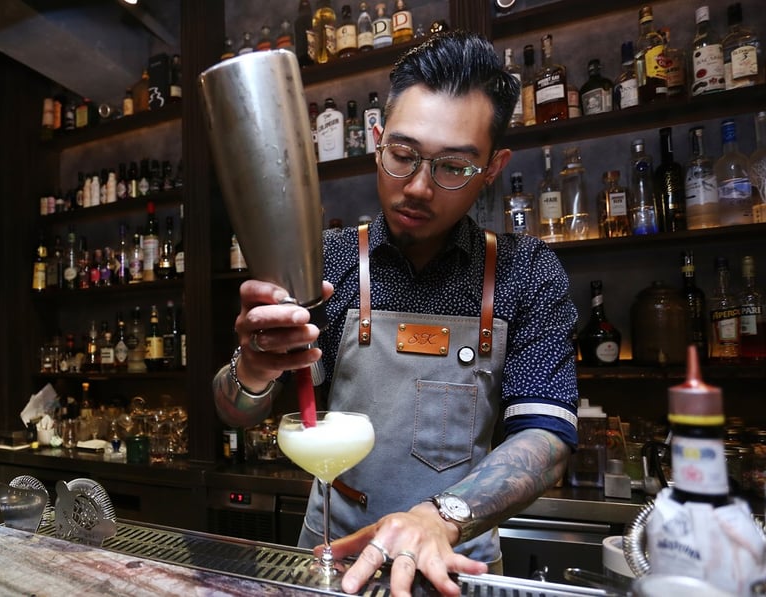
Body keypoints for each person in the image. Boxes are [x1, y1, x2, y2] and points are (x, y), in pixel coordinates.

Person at [212, 30, 579, 597]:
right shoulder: (325, 262)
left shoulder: (524, 272)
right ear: (377, 141)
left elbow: (547, 438)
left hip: (457, 567)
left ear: (492, 167)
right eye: (403, 156)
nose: (419, 188)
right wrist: (253, 369)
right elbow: (232, 412)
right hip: (333, 560)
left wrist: (441, 516)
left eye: (453, 167)